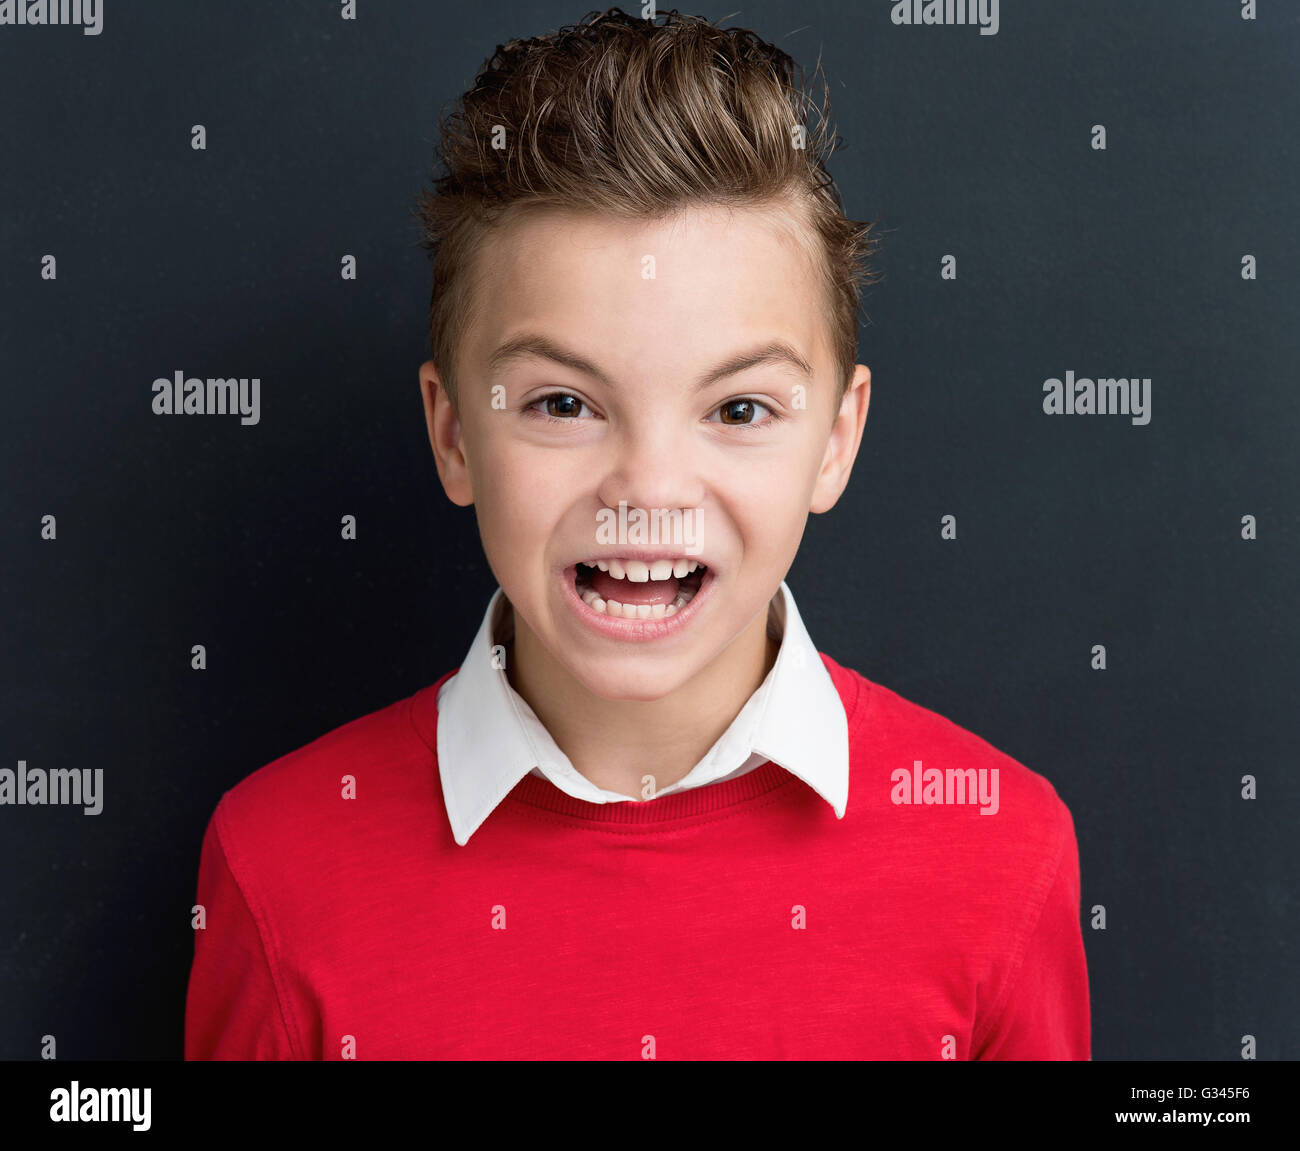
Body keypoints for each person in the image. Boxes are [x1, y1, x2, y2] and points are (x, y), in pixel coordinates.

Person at [185, 7, 1089, 1060]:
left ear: (836, 440)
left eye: (739, 409)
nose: (648, 491)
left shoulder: (1001, 851)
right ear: (453, 435)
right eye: (562, 404)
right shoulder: (276, 865)